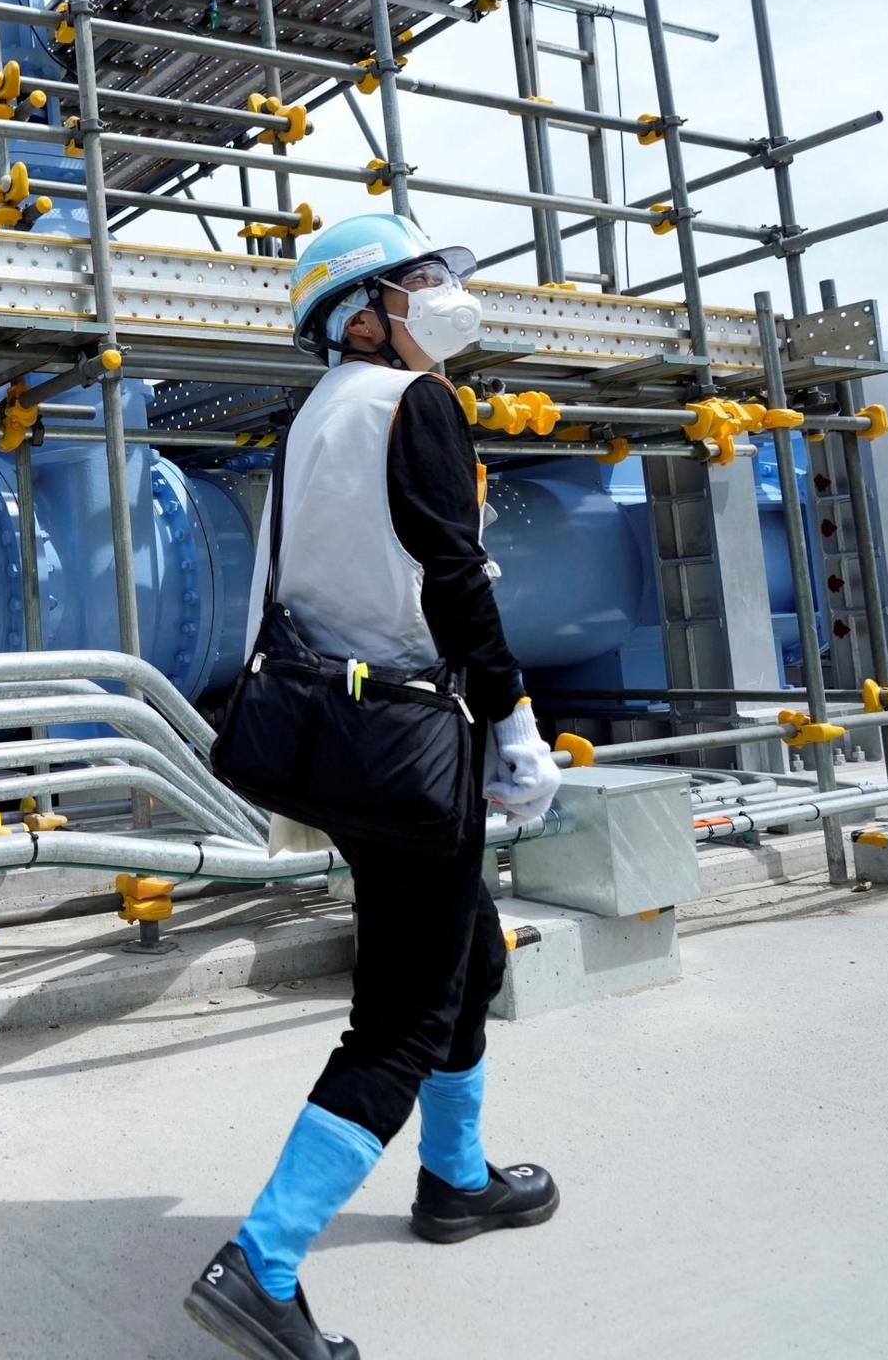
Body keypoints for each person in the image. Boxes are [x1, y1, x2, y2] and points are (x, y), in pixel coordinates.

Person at [185, 214, 565, 1360]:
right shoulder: (414, 404)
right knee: (402, 1015)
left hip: (341, 742)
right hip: (410, 740)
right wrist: (513, 720)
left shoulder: (313, 420)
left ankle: (455, 1181)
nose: (439, 296)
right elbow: (453, 575)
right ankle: (262, 1259)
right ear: (359, 312)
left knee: (471, 953)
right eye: (416, 281)